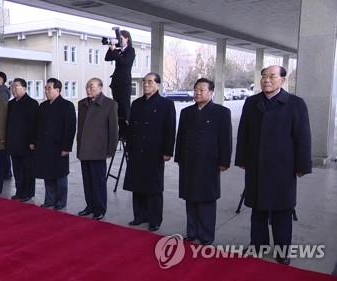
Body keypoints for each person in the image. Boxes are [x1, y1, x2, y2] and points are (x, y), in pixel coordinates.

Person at [235, 65, 312, 265]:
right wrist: (242, 159)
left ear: (282, 80)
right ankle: (257, 244)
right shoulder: (252, 102)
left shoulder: (295, 103)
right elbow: (243, 133)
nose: (266, 80)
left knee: (282, 210)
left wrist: (302, 165)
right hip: (256, 165)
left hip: (283, 167)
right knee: (258, 209)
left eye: (271, 76)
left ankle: (282, 250)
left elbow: (303, 137)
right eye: (263, 77)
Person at [174, 78, 232, 245]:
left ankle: (206, 235)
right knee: (190, 198)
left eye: (201, 90)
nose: (197, 93)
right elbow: (181, 137)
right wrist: (179, 157)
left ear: (211, 92)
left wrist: (224, 161)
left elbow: (225, 139)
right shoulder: (186, 112)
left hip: (209, 163)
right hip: (188, 162)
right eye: (196, 90)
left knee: (206, 199)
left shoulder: (221, 112)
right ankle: (192, 232)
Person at [123, 72, 176, 232]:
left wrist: (167, 151)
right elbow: (132, 128)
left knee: (153, 187)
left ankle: (154, 220)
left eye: (150, 82)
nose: (146, 85)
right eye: (145, 82)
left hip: (155, 151)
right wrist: (129, 147)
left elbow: (170, 129)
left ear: (158, 85)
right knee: (137, 185)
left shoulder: (166, 104)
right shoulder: (137, 103)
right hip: (137, 150)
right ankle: (139, 216)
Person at [76, 78, 118, 220]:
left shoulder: (109, 104)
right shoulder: (82, 104)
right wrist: (79, 147)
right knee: (87, 181)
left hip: (99, 150)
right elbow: (80, 129)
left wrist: (110, 150)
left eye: (92, 87)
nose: (88, 89)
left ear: (101, 88)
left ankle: (100, 209)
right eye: (87, 87)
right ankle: (90, 206)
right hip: (84, 150)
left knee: (98, 182)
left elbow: (113, 130)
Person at [35, 78, 76, 210]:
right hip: (45, 146)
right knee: (47, 174)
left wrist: (66, 147)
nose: (46, 91)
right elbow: (38, 127)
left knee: (60, 175)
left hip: (59, 146)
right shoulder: (43, 106)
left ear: (57, 90)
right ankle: (49, 200)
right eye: (45, 88)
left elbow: (70, 128)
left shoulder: (67, 105)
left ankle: (60, 201)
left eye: (49, 88)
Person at [6, 78, 39, 202]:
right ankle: (19, 191)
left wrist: (33, 141)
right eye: (12, 86)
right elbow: (8, 124)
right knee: (17, 170)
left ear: (25, 88)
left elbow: (35, 124)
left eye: (16, 86)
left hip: (27, 144)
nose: (13, 89)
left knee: (28, 170)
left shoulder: (32, 103)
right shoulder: (11, 104)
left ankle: (28, 193)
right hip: (14, 143)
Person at [104, 30, 135, 140]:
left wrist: (116, 52)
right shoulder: (119, 50)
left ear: (127, 38)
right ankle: (121, 133)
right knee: (118, 109)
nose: (120, 41)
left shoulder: (130, 51)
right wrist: (111, 47)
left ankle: (127, 132)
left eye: (121, 39)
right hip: (116, 83)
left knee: (125, 108)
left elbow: (124, 62)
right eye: (119, 39)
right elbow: (107, 58)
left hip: (125, 83)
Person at [0, 71, 13, 179]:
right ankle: (3, 172)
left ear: (2, 80)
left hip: (2, 124)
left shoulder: (3, 91)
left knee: (3, 152)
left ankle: (6, 173)